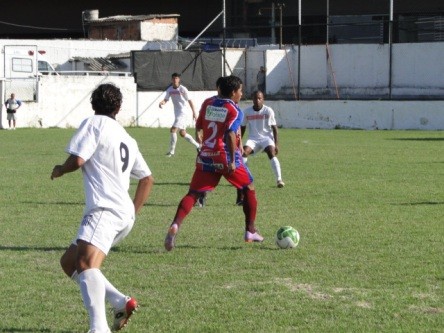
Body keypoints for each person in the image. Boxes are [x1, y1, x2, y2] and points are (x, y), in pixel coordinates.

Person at [51, 83, 154, 333]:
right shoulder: (127, 137)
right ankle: (120, 301)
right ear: (118, 108)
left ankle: (99, 329)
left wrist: (60, 170)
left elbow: (78, 159)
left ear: (93, 105)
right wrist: (132, 213)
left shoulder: (93, 124)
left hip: (104, 210)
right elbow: (147, 178)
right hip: (122, 213)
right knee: (70, 262)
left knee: (86, 264)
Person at [164, 75, 264, 252]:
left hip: (206, 155)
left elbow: (200, 125)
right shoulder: (235, 110)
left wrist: (200, 136)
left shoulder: (208, 102)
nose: (241, 94)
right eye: (240, 91)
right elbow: (230, 134)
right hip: (225, 156)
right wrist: (233, 159)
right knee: (249, 187)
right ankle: (250, 231)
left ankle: (175, 225)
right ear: (233, 92)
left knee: (193, 193)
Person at [159, 73, 201, 156]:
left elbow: (190, 101)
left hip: (183, 112)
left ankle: (171, 152)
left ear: (179, 80)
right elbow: (166, 99)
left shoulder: (183, 89)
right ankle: (198, 146)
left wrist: (194, 113)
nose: (175, 80)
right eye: (174, 78)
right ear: (172, 79)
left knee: (173, 130)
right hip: (177, 113)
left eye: (177, 78)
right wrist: (162, 103)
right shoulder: (170, 89)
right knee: (182, 133)